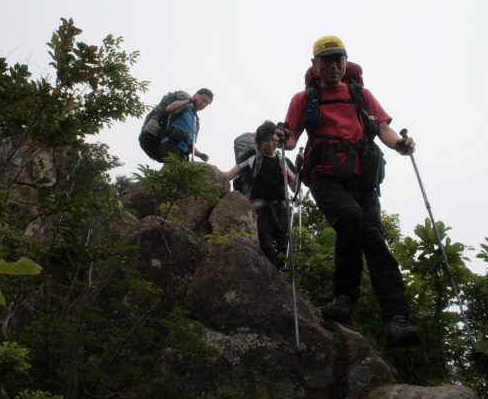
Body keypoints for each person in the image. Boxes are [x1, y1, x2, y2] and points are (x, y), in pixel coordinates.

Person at [280, 35, 420, 347]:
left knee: (374, 242)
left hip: (363, 179)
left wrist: (400, 143)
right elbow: (291, 139)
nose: (332, 65)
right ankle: (344, 297)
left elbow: (383, 129)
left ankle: (396, 320)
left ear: (345, 62)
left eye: (337, 59)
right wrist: (282, 137)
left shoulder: (361, 94)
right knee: (349, 215)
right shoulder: (304, 98)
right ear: (315, 65)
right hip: (324, 176)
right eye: (325, 60)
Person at [224, 121, 297, 267]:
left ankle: (281, 284)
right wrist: (210, 172)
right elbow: (231, 174)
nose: (271, 144)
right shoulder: (252, 156)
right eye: (266, 140)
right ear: (259, 142)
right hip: (260, 211)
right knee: (266, 249)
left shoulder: (284, 161)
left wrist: (301, 167)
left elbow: (295, 187)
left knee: (284, 252)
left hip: (282, 212)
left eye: (274, 140)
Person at [158, 88, 213, 162]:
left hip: (184, 152)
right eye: (203, 100)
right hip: (170, 144)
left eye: (206, 103)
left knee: (182, 172)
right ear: (196, 95)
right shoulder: (184, 106)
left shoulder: (196, 122)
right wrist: (190, 100)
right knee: (174, 168)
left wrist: (200, 154)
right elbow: (169, 109)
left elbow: (191, 142)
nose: (203, 104)